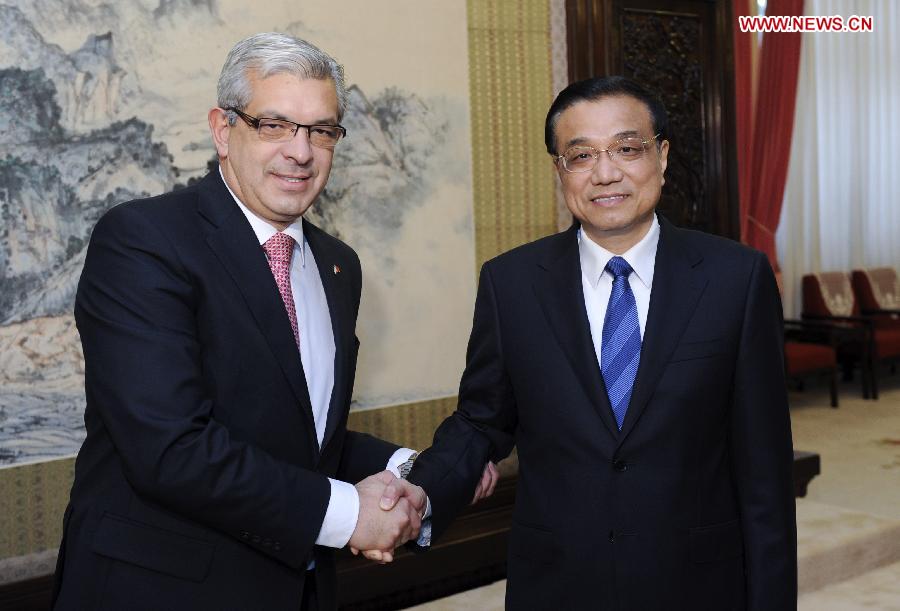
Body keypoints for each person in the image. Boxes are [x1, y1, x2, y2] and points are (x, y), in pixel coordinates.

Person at [52, 32, 434, 611]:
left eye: (321, 130)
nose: (301, 152)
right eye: (274, 124)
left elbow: (295, 432)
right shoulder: (144, 240)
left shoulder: (338, 265)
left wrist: (411, 469)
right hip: (159, 592)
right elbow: (172, 447)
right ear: (222, 130)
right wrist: (351, 514)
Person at [406, 76, 797, 609]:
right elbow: (481, 420)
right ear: (559, 171)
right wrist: (418, 493)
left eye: (627, 148)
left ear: (661, 155)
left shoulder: (736, 278)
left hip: (698, 584)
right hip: (559, 584)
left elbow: (764, 470)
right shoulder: (512, 283)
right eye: (581, 155)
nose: (606, 173)